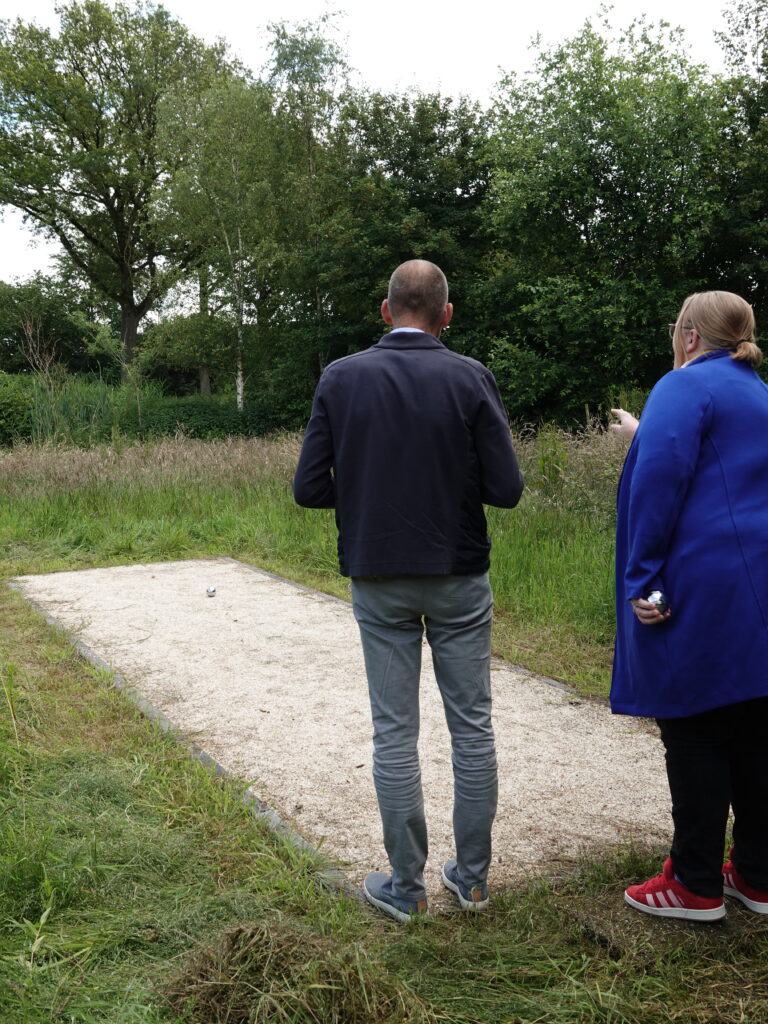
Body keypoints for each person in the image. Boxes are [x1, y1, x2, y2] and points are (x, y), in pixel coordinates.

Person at [293, 259, 524, 922]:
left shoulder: (342, 379)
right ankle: (473, 881)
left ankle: (406, 887)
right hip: (457, 571)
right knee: (472, 726)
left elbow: (308, 488)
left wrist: (367, 494)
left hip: (379, 574)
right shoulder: (471, 377)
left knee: (394, 731)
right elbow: (505, 490)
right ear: (445, 314)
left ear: (387, 310)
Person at [611, 290, 768, 921]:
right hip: (757, 581)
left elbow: (659, 483)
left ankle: (695, 883)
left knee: (695, 722)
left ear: (691, 336)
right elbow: (720, 469)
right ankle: (756, 876)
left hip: (702, 582)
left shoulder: (683, 385)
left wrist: (644, 577)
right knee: (756, 723)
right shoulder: (757, 391)